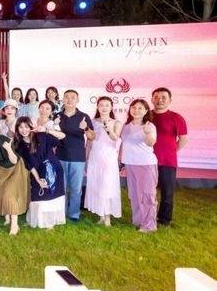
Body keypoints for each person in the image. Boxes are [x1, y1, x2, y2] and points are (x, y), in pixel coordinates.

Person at [13, 117, 67, 230]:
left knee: (52, 195)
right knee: (38, 195)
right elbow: (29, 165)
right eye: (20, 127)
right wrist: (38, 179)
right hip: (37, 171)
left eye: (26, 127)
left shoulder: (41, 136)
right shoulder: (19, 145)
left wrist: (46, 130)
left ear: (31, 127)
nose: (24, 130)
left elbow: (62, 136)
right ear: (17, 129)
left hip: (53, 169)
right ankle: (38, 220)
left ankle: (50, 222)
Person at [150, 87, 188, 226]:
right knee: (147, 191)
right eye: (156, 97)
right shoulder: (147, 116)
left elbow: (183, 138)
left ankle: (164, 219)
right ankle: (147, 216)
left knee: (167, 192)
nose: (159, 100)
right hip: (147, 161)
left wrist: (172, 151)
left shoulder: (176, 117)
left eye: (163, 97)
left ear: (170, 100)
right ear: (152, 99)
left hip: (167, 161)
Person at [57, 90, 95, 222]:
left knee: (76, 188)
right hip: (60, 156)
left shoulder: (83, 116)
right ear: (63, 99)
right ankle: (60, 212)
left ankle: (74, 214)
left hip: (77, 157)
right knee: (61, 187)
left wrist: (85, 128)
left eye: (73, 97)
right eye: (66, 97)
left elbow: (92, 137)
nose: (69, 100)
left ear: (77, 100)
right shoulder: (57, 116)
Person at [85, 97, 122, 226]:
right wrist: (86, 159)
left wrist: (108, 129)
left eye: (107, 105)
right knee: (97, 185)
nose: (104, 108)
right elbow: (89, 142)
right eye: (101, 105)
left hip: (108, 158)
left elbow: (115, 139)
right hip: (95, 157)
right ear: (97, 107)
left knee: (107, 185)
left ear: (111, 107)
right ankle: (101, 215)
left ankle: (107, 217)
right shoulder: (92, 122)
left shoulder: (116, 122)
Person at [122, 99, 158, 233]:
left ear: (146, 111)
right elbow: (124, 144)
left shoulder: (149, 126)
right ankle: (138, 220)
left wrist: (147, 133)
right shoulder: (126, 126)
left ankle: (149, 225)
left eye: (140, 108)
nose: (136, 110)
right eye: (134, 107)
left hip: (146, 164)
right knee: (134, 194)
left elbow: (150, 143)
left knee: (147, 195)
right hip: (130, 164)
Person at [0, 118, 25, 235]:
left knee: (10, 193)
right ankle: (7, 218)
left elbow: (14, 160)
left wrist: (8, 149)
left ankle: (15, 225)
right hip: (3, 169)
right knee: (2, 192)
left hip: (16, 167)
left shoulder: (4, 140)